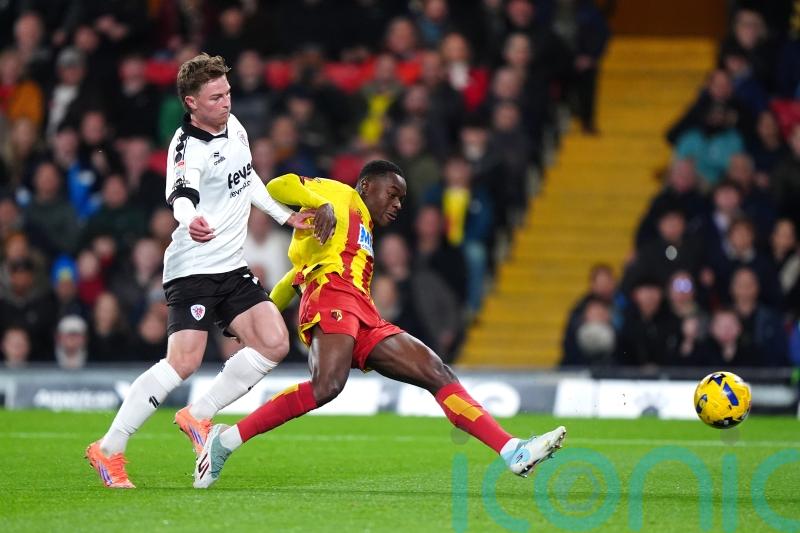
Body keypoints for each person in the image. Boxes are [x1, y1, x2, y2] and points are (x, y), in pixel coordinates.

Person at [192, 160, 566, 489]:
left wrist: (262, 316)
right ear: (366, 185)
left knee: (437, 372)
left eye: (401, 199)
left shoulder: (360, 229)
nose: (398, 205)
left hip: (364, 313)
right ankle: (225, 443)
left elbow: (295, 276)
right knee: (328, 385)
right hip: (332, 295)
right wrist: (320, 203)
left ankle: (511, 449)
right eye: (392, 194)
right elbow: (277, 186)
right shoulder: (339, 195)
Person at [86, 53, 315, 489]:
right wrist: (189, 218)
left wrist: (285, 218)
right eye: (216, 97)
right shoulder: (185, 146)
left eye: (227, 92)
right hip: (192, 267)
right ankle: (109, 449)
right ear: (191, 103)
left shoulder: (237, 127)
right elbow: (182, 193)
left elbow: (247, 181)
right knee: (183, 363)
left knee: (273, 342)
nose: (227, 102)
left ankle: (199, 414)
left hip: (230, 265)